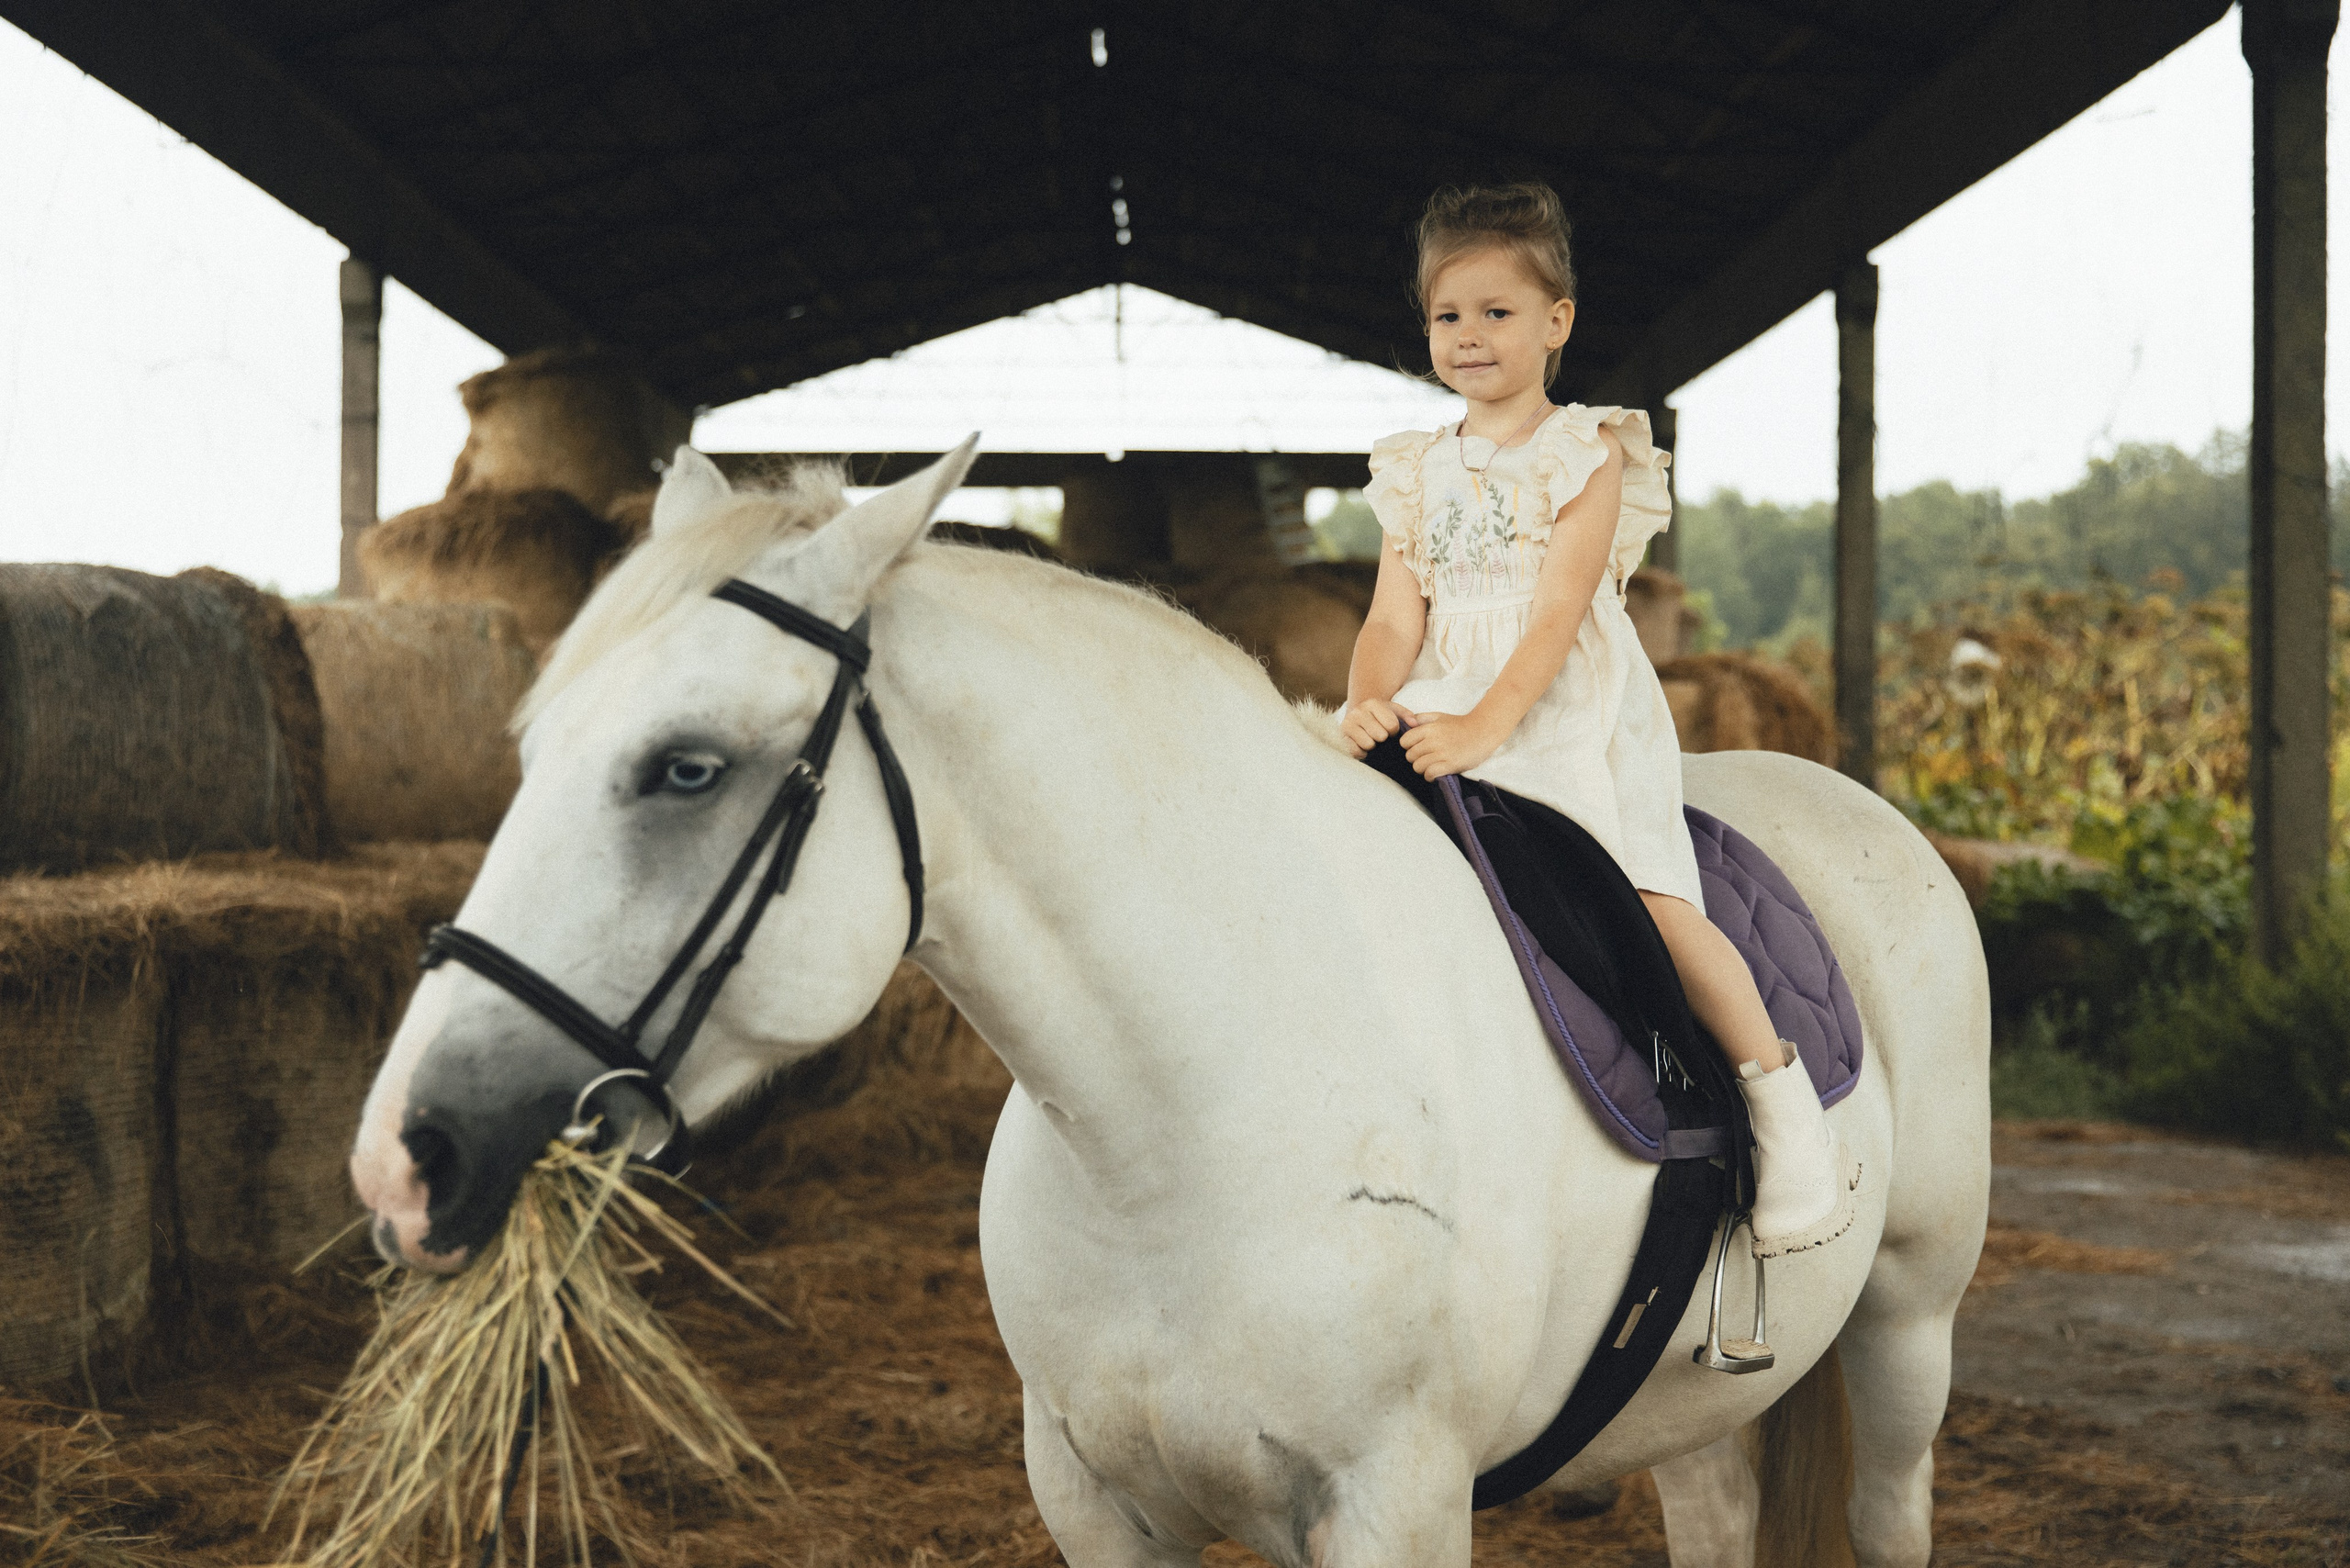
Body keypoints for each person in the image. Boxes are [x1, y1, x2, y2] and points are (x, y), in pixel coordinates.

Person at [1341, 183, 1859, 1260]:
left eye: (1497, 312)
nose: (1470, 336)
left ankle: (1780, 1107)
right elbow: (1394, 618)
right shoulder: (1413, 469)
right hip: (1450, 701)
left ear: (1556, 322)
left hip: (1564, 710)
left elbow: (1555, 618)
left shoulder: (1587, 453)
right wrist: (1365, 698)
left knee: (1647, 898)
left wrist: (1486, 729)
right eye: (1448, 315)